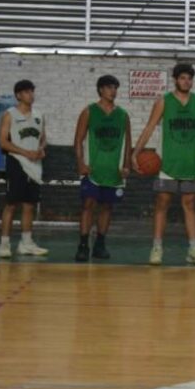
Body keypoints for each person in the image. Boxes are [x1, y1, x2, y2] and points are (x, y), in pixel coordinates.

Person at [132, 63, 195, 266]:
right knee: (162, 204)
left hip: (191, 163)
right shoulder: (163, 101)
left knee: (190, 205)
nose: (186, 81)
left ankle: (193, 249)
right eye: (183, 78)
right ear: (176, 80)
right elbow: (149, 127)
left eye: (189, 78)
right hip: (166, 163)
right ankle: (157, 248)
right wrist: (136, 152)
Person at [72, 74, 131, 262]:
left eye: (115, 88)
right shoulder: (89, 112)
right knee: (88, 204)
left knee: (107, 207)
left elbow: (128, 143)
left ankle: (100, 244)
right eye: (109, 87)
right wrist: (80, 163)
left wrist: (127, 165)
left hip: (113, 170)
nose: (113, 91)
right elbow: (78, 140)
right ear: (100, 90)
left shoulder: (123, 115)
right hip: (93, 168)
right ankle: (83, 245)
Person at [0, 79, 49, 259]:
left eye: (32, 91)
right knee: (11, 204)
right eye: (27, 92)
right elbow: (3, 142)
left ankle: (26, 244)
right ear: (18, 95)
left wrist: (41, 149)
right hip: (17, 163)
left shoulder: (39, 115)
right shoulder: (9, 114)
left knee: (29, 205)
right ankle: (4, 244)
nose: (31, 95)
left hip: (34, 165)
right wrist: (25, 152)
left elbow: (43, 138)